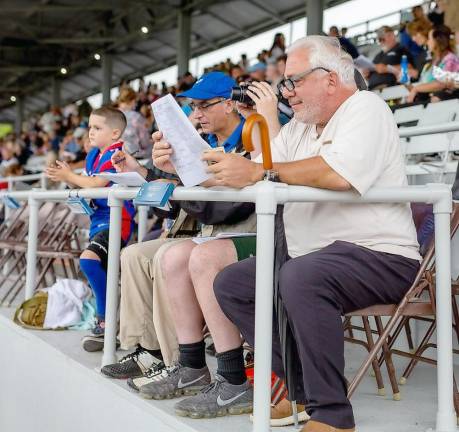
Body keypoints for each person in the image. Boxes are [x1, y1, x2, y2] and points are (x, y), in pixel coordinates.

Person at [200, 36, 420, 432]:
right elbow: (257, 170)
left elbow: (338, 173)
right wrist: (188, 165)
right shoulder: (301, 126)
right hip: (316, 258)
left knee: (299, 274)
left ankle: (332, 414)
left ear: (330, 79)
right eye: (285, 83)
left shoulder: (366, 108)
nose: (287, 92)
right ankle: (298, 389)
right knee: (233, 283)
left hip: (382, 255)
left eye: (294, 82)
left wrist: (261, 171)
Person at [100, 72, 257, 387]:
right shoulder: (208, 143)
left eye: (202, 106)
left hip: (234, 235)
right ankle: (147, 350)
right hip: (206, 233)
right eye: (193, 107)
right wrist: (146, 171)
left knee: (168, 257)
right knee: (132, 255)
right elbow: (175, 202)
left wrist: (176, 178)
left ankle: (173, 361)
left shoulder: (251, 137)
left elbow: (228, 207)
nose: (195, 115)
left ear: (229, 104)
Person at [45, 106, 135, 351]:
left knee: (88, 261)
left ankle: (105, 318)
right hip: (98, 221)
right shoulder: (94, 155)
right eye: (90, 127)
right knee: (100, 267)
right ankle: (108, 324)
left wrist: (68, 177)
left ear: (115, 133)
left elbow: (97, 182)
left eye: (97, 128)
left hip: (119, 221)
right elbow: (89, 187)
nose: (91, 132)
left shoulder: (117, 153)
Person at [407, 25, 459, 102]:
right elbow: (424, 83)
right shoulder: (433, 62)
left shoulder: (450, 59)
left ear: (437, 41)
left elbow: (442, 84)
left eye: (429, 39)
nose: (427, 42)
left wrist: (416, 89)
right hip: (425, 100)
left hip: (441, 102)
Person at [118, 87, 152, 158]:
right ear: (132, 100)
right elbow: (144, 142)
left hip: (117, 156)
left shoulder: (112, 116)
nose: (136, 104)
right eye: (135, 101)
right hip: (135, 156)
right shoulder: (136, 117)